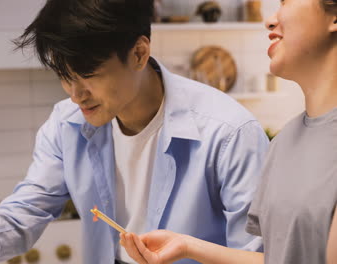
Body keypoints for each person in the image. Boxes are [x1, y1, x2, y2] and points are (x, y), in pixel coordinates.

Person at [0, 0, 269, 263]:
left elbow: (263, 255)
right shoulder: (68, 126)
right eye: (63, 76)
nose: (76, 94)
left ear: (139, 52)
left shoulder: (229, 133)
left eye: (89, 76)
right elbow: (14, 224)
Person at [120, 0, 337, 263]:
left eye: (286, 1)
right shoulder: (283, 143)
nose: (269, 20)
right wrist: (186, 246)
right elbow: (276, 259)